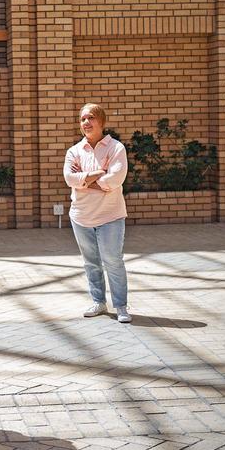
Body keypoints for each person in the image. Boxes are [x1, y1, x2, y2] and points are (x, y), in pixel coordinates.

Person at [63, 102, 132, 323]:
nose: (86, 122)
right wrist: (99, 172)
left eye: (91, 117)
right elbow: (69, 179)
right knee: (90, 262)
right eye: (83, 119)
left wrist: (85, 179)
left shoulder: (116, 148)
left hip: (110, 215)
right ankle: (99, 302)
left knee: (112, 260)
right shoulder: (74, 151)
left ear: (101, 121)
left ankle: (120, 306)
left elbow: (116, 179)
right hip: (81, 216)